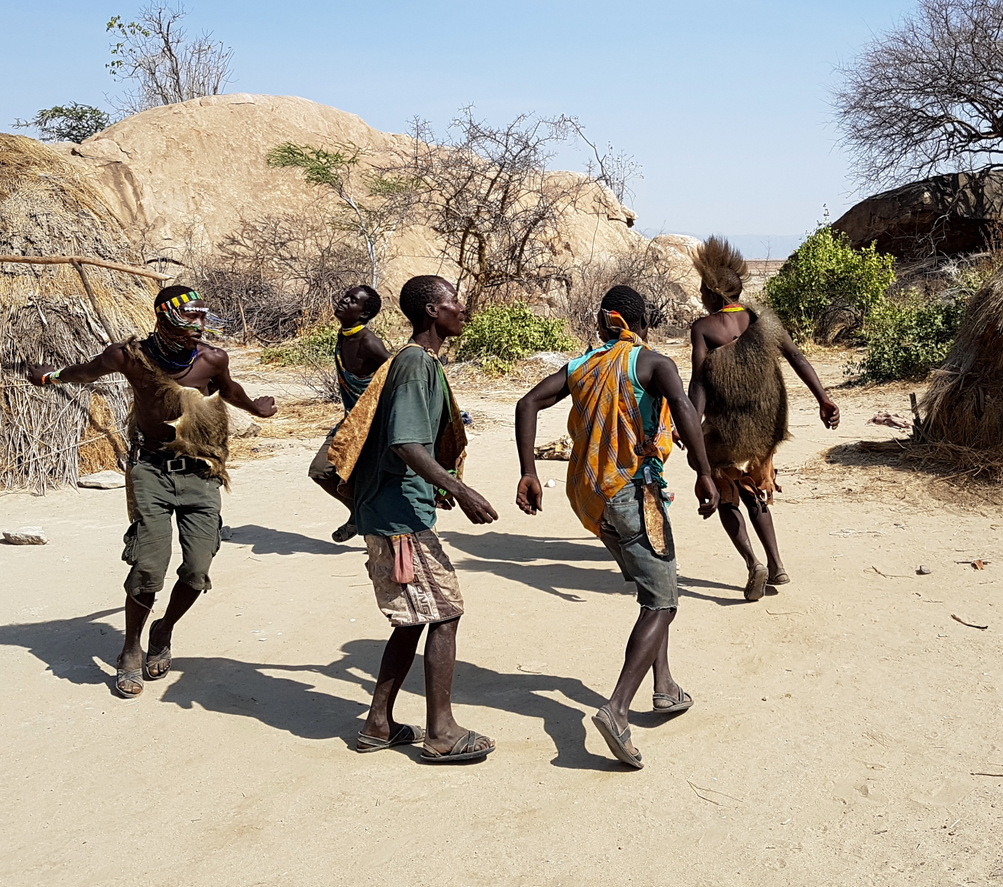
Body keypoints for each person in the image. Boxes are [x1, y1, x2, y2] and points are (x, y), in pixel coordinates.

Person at [26, 285, 277, 698]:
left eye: (201, 319)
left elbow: (227, 390)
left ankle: (164, 630)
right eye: (188, 319)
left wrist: (256, 409)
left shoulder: (211, 358)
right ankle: (130, 650)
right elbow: (85, 372)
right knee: (147, 568)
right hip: (150, 470)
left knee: (197, 570)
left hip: (200, 470)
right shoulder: (128, 356)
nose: (198, 328)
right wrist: (49, 376)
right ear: (162, 318)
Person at [514, 285, 719, 769]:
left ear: (607, 320)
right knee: (663, 600)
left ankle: (664, 686)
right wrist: (705, 472)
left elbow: (526, 403)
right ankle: (618, 708)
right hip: (635, 494)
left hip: (592, 497)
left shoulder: (582, 365)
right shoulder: (653, 363)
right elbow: (686, 412)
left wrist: (527, 470)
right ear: (636, 320)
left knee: (653, 587)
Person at [327, 275, 498, 762]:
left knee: (412, 619)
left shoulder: (416, 362)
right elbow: (405, 444)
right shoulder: (415, 364)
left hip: (395, 507)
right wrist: (458, 489)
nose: (462, 308)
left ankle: (378, 724)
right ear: (431, 312)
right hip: (399, 516)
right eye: (453, 302)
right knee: (444, 613)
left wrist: (438, 485)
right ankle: (441, 733)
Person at [687, 236, 840, 600]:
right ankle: (776, 565)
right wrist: (824, 399)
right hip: (767, 427)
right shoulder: (764, 321)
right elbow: (798, 358)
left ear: (712, 295)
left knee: (724, 492)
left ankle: (751, 561)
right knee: (756, 490)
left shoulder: (704, 329)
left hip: (725, 429)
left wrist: (691, 425)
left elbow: (698, 384)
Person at [307, 284, 390, 542]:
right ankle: (359, 512)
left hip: (375, 424)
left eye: (352, 301)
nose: (343, 302)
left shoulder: (369, 342)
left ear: (363, 315)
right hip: (351, 421)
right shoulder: (343, 336)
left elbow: (398, 373)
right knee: (321, 470)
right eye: (345, 297)